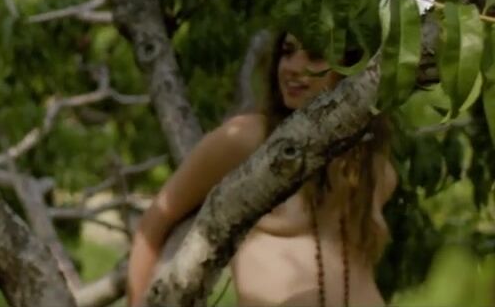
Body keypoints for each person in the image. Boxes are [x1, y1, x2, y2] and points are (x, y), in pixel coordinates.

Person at [126, 32, 398, 306]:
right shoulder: (247, 140)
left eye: (315, 56)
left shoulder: (373, 167)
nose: (293, 67)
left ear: (351, 69)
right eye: (287, 52)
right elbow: (154, 224)